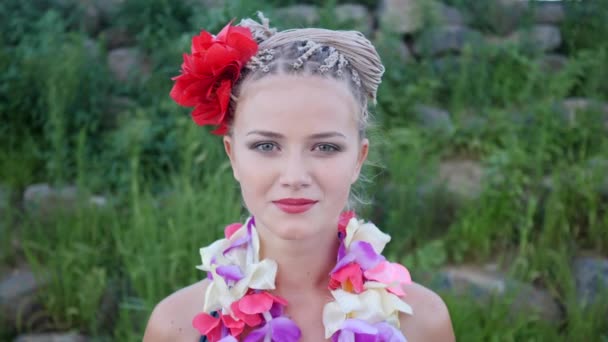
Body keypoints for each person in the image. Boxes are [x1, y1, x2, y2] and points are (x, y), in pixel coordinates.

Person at [143, 12, 454, 342]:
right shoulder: (176, 326)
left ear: (358, 159)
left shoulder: (422, 323)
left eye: (324, 147)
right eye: (266, 145)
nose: (294, 176)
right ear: (233, 156)